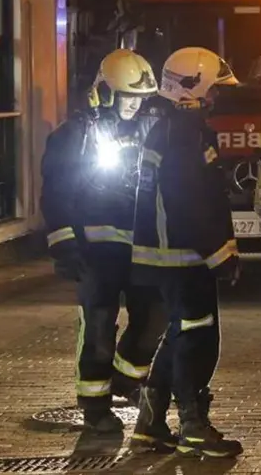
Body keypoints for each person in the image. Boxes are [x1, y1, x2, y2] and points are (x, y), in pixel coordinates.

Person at [40, 48, 167, 433]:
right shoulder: (76, 134)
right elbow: (56, 193)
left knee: (155, 315)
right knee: (97, 327)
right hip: (95, 251)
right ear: (107, 92)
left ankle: (127, 378)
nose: (134, 105)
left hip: (140, 247)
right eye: (128, 97)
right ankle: (95, 407)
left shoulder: (150, 129)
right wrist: (64, 245)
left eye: (141, 98)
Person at [130, 47, 243, 458]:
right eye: (213, 89)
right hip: (185, 257)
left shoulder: (169, 129)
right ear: (193, 89)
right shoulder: (185, 135)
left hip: (173, 256)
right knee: (197, 340)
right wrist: (219, 253)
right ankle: (193, 427)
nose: (217, 96)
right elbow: (190, 203)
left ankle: (150, 424)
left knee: (181, 334)